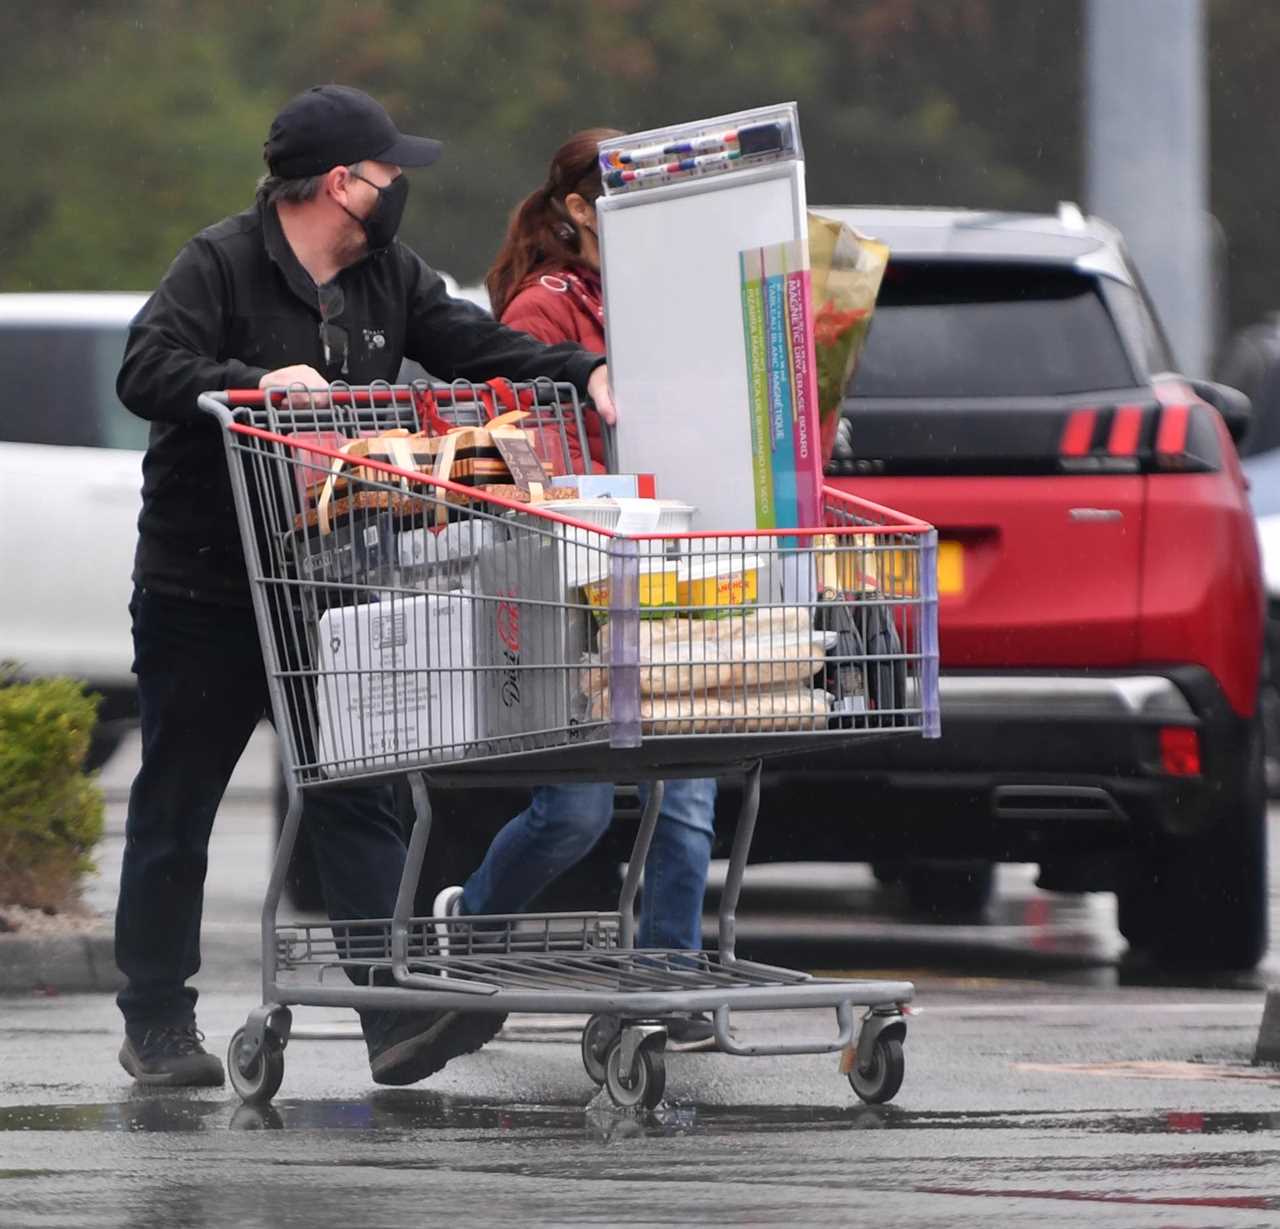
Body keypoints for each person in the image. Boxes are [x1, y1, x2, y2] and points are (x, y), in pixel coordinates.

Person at [113, 86, 614, 1088]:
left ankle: (392, 1014)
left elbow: (482, 348)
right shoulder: (218, 263)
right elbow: (146, 368)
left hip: (322, 579)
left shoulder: (390, 277)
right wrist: (255, 383)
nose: (399, 191)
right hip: (205, 588)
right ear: (341, 183)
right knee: (179, 801)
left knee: (360, 792)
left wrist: (583, 368)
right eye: (389, 175)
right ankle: (157, 1017)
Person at [431, 130, 719, 1050]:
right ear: (581, 211)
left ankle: (667, 984)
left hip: (672, 567)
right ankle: (472, 918)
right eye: (625, 204)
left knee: (687, 797)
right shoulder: (547, 307)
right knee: (578, 810)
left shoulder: (670, 302)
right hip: (576, 576)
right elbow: (520, 436)